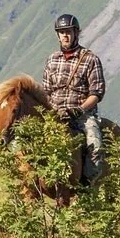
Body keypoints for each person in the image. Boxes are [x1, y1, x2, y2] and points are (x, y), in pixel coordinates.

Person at [41, 13, 106, 183]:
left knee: (95, 145)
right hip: (55, 113)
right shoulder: (51, 60)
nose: (65, 35)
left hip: (82, 115)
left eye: (68, 31)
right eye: (61, 32)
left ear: (76, 32)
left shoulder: (90, 59)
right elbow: (46, 91)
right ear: (57, 35)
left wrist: (79, 110)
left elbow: (96, 93)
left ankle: (87, 183)